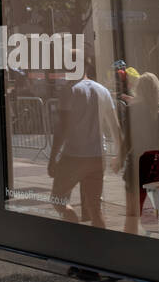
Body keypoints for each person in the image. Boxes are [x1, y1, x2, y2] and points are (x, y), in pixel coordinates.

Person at [49, 57, 121, 229]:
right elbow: (115, 127)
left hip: (74, 155)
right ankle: (100, 246)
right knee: (95, 209)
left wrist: (53, 158)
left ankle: (75, 233)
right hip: (97, 156)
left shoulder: (70, 91)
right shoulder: (102, 90)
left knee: (57, 199)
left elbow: (63, 128)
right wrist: (120, 155)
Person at [122, 72, 159, 233]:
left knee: (132, 213)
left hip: (138, 163)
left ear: (138, 89)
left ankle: (129, 248)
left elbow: (127, 140)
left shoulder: (132, 109)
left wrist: (119, 159)